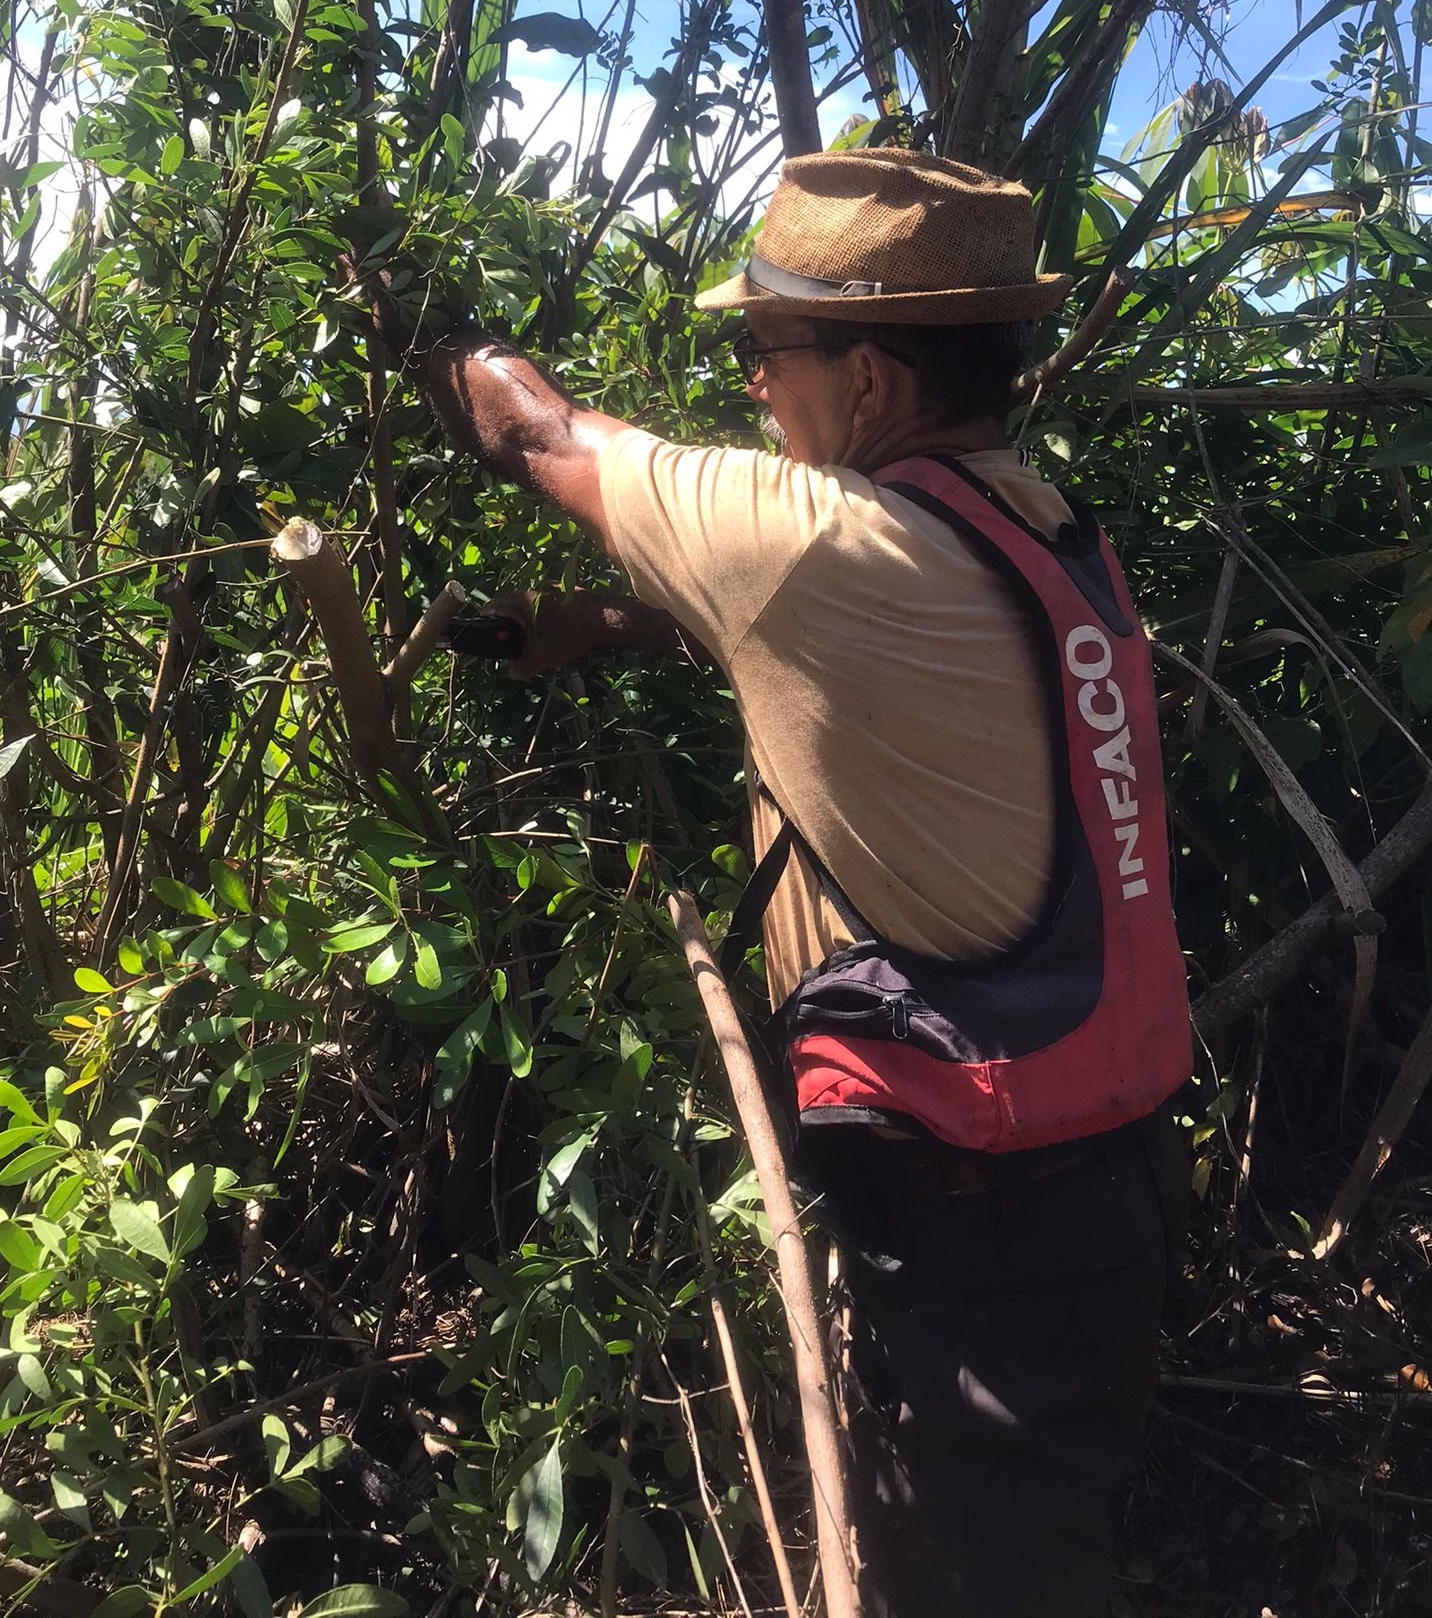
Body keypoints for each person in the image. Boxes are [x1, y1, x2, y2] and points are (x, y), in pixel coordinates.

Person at [403, 148, 1192, 1618]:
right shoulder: (1039, 525)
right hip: (1099, 1182)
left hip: (992, 1215)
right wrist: (610, 626)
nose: (753, 389)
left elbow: (546, 432)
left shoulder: (813, 541)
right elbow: (853, 649)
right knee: (1022, 1541)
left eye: (766, 353)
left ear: (874, 381)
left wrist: (429, 331)